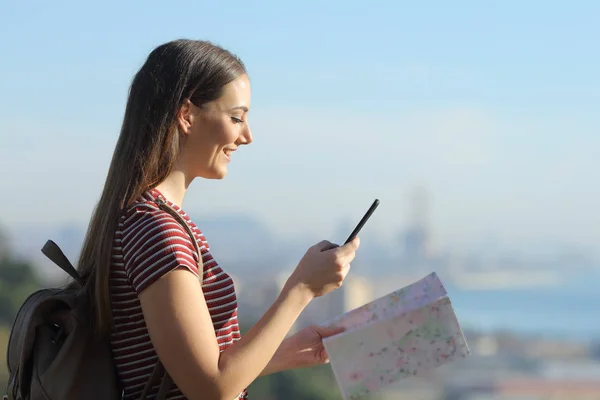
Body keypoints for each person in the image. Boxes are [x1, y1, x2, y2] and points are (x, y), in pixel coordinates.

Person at [74, 39, 361, 400]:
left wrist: (278, 354)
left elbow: (182, 370)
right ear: (186, 115)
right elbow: (210, 388)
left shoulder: (148, 219)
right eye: (236, 117)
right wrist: (300, 289)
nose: (247, 136)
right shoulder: (156, 230)